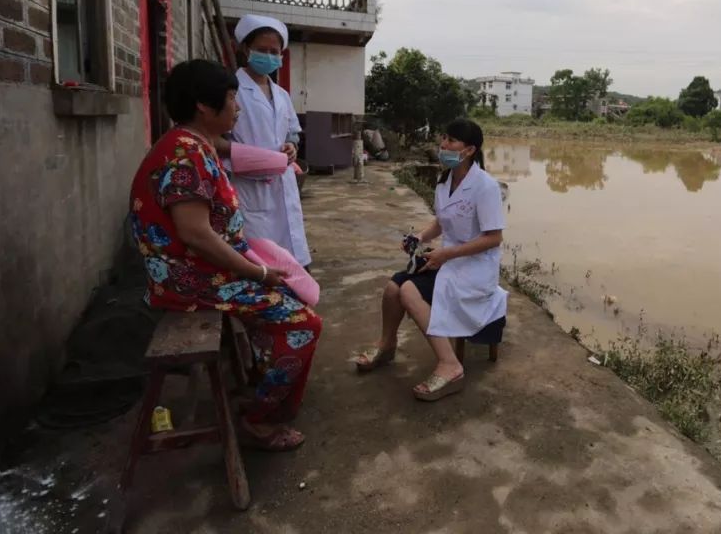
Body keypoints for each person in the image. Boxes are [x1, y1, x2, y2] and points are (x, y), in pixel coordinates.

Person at [129, 59, 321, 450]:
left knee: (290, 297)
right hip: (191, 278)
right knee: (304, 324)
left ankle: (268, 384)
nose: (237, 107)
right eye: (232, 98)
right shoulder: (186, 155)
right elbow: (195, 234)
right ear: (204, 104)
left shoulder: (192, 144)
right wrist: (256, 271)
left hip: (200, 270)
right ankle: (260, 418)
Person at [356, 118, 507, 401]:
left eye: (451, 140)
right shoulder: (444, 181)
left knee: (409, 291)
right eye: (444, 139)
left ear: (470, 149)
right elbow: (441, 223)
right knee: (392, 289)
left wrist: (446, 253)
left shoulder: (485, 187)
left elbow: (494, 238)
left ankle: (450, 366)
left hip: (474, 268)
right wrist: (419, 238)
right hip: (447, 261)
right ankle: (387, 344)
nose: (443, 145)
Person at [215, 14, 311, 269]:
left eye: (274, 51)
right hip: (249, 187)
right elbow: (215, 139)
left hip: (283, 182)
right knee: (259, 261)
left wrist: (292, 147)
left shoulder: (282, 95)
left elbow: (292, 132)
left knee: (292, 258)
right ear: (246, 49)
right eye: (261, 50)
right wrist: (255, 157)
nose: (269, 56)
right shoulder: (231, 89)